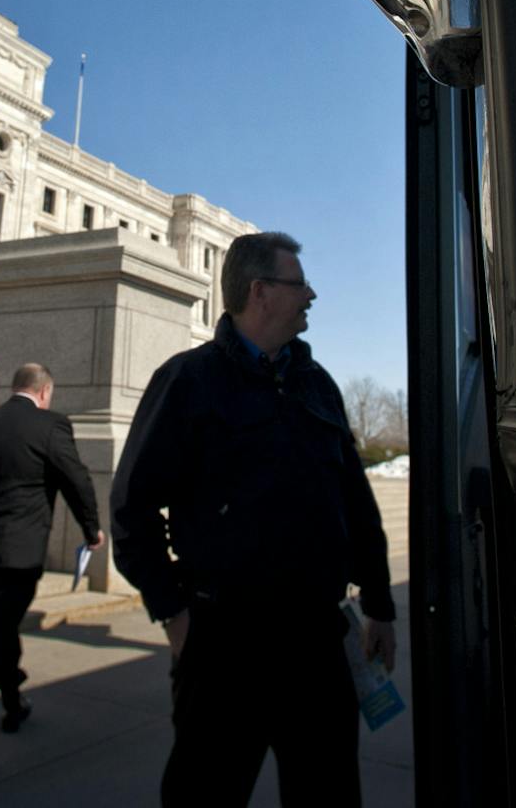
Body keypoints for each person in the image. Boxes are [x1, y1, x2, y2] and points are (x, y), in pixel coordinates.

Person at [110, 231, 397, 807]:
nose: (311, 295)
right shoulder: (189, 381)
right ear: (260, 292)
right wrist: (173, 613)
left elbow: (355, 502)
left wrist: (380, 603)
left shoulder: (318, 386)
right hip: (223, 646)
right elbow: (131, 507)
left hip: (317, 642)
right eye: (300, 284)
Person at [0, 362, 105, 766]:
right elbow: (75, 478)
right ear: (45, 392)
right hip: (21, 553)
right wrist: (92, 528)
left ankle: (13, 702)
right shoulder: (51, 426)